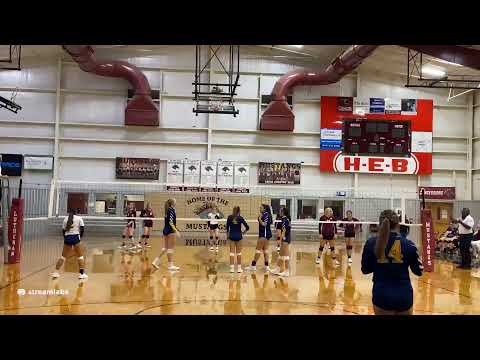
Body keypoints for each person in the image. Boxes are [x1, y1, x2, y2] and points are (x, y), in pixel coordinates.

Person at [361, 209, 423, 315]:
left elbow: (365, 270)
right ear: (398, 224)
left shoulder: (371, 243)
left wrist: (380, 263)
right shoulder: (409, 244)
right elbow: (418, 271)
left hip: (382, 295)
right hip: (404, 295)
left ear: (380, 224)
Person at [52, 209, 88, 280]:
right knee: (80, 257)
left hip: (67, 238)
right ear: (76, 212)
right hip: (76, 238)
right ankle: (81, 274)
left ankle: (56, 272)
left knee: (63, 257)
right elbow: (82, 229)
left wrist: (65, 238)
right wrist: (80, 238)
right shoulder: (79, 218)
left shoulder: (65, 219)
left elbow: (63, 230)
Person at [152, 199, 181, 271]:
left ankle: (155, 261)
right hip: (170, 231)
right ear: (172, 203)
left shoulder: (168, 210)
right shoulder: (171, 210)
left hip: (166, 230)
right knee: (170, 248)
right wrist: (176, 230)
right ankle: (170, 265)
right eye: (175, 201)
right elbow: (171, 222)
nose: (176, 202)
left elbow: (170, 222)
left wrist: (176, 228)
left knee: (165, 248)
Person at [245, 204, 273, 272]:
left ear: (265, 209)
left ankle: (253, 266)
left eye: (261, 208)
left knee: (258, 250)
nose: (260, 208)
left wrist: (260, 218)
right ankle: (267, 267)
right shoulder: (266, 214)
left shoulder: (266, 215)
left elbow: (264, 224)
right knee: (265, 250)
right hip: (266, 235)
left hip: (264, 235)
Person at [225, 206, 249, 273]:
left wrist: (227, 236)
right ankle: (239, 268)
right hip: (239, 236)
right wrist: (243, 233)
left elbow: (227, 228)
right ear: (239, 211)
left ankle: (232, 269)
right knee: (239, 253)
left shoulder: (229, 217)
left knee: (231, 253)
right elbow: (247, 227)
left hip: (231, 236)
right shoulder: (240, 218)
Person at [270, 206, 291, 277]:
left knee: (286, 255)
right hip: (284, 238)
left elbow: (284, 230)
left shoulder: (285, 219)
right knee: (281, 255)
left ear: (283, 212)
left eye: (280, 211)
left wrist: (280, 238)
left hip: (285, 238)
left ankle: (287, 271)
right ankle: (278, 269)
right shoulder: (282, 219)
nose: (279, 212)